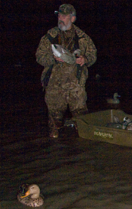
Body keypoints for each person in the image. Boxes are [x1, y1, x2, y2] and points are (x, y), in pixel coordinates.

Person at [36, 4, 97, 138]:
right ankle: (55, 153)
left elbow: (93, 56)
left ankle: (83, 154)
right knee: (54, 123)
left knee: (82, 121)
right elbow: (39, 57)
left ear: (73, 18)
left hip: (76, 86)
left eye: (64, 16)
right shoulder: (50, 36)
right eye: (59, 15)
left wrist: (84, 59)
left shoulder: (83, 38)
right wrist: (53, 59)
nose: (60, 18)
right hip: (54, 86)